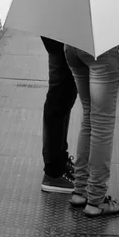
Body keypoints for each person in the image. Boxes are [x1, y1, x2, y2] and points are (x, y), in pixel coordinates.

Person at [65, 43, 119, 217]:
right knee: (102, 124)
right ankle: (96, 200)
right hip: (104, 51)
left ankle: (80, 191)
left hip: (73, 45)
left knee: (89, 116)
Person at [39, 36, 77, 193]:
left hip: (59, 33)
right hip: (62, 35)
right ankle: (54, 173)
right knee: (60, 95)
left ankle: (58, 162)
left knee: (63, 94)